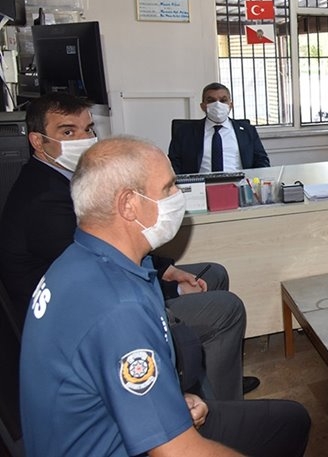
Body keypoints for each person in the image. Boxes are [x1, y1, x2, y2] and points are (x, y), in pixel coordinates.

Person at [20, 136, 310, 456]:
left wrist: (168, 398)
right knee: (289, 423)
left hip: (111, 423)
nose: (178, 196)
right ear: (129, 204)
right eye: (169, 187)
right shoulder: (119, 309)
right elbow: (176, 452)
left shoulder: (79, 259)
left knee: (290, 420)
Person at [0, 93, 255, 400]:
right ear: (38, 142)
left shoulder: (65, 178)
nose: (83, 139)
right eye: (68, 131)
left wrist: (166, 269)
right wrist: (172, 289)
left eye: (88, 129)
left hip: (107, 286)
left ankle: (213, 377)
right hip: (86, 319)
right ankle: (219, 409)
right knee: (227, 308)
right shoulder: (44, 200)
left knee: (214, 273)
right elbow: (105, 273)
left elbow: (113, 243)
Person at [168, 82, 269, 174]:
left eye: (223, 100)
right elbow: (173, 164)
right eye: (211, 100)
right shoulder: (185, 132)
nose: (217, 104)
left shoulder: (247, 130)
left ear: (230, 105)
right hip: (200, 185)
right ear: (203, 106)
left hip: (238, 184)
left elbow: (261, 160)